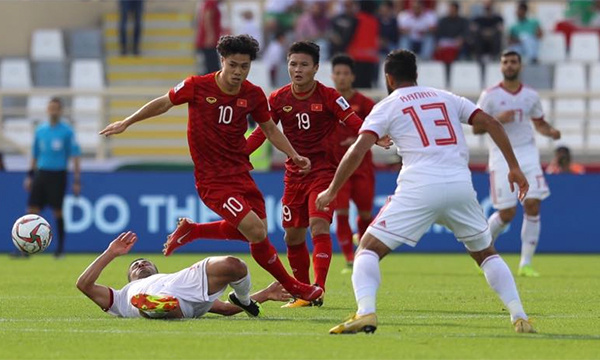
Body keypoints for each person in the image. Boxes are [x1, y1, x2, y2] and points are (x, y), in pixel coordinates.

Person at [316, 49, 535, 335]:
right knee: (486, 254)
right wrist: (514, 167)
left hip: (419, 186)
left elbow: (359, 149)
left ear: (389, 78)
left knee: (367, 249)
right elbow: (492, 123)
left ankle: (366, 311)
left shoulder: (386, 105)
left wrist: (332, 189)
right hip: (459, 185)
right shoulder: (445, 97)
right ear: (416, 75)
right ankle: (520, 316)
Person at [100, 34, 323, 303]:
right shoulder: (197, 86)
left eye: (244, 66)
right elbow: (164, 102)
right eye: (233, 65)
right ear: (222, 61)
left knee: (258, 229)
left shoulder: (253, 94)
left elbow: (270, 129)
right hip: (212, 180)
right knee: (256, 231)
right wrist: (128, 121)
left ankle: (193, 231)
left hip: (240, 173)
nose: (238, 72)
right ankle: (295, 286)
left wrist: (294, 155)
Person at [244, 41, 387, 308]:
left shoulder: (329, 96)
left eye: (304, 65)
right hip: (293, 175)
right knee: (292, 237)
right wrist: (241, 153)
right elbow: (263, 130)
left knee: (318, 225)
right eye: (293, 64)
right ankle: (302, 294)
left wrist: (374, 137)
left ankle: (318, 288)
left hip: (323, 171)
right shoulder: (277, 98)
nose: (297, 70)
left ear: (316, 68)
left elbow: (353, 120)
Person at [476, 50, 561, 277]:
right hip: (501, 155)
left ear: (520, 66)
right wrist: (497, 120)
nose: (509, 65)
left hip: (527, 153)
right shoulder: (490, 95)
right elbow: (475, 127)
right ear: (501, 66)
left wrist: (550, 131)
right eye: (505, 62)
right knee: (507, 213)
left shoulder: (531, 95)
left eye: (513, 62)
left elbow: (539, 123)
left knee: (533, 204)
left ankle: (526, 263)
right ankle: (482, 248)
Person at [76, 231, 292, 319]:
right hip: (151, 301)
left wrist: (266, 293)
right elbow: (84, 284)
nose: (140, 263)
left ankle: (161, 307)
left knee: (234, 265)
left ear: (156, 270)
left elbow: (226, 309)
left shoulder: (167, 277)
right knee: (154, 303)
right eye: (134, 266)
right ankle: (159, 308)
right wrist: (110, 253)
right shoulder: (121, 296)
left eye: (145, 262)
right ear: (130, 279)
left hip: (182, 284)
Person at [330, 54, 376, 272]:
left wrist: (359, 140)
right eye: (337, 73)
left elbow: (377, 129)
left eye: (345, 73)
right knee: (341, 211)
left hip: (362, 166)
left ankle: (363, 250)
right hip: (337, 167)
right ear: (332, 76)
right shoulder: (327, 102)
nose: (341, 78)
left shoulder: (365, 103)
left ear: (352, 76)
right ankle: (350, 256)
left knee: (366, 213)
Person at [25, 97, 81, 258]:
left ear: (60, 110)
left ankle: (60, 249)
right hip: (41, 173)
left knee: (57, 211)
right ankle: (25, 249)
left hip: (58, 174)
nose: (53, 111)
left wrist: (77, 180)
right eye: (51, 108)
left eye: (56, 108)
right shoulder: (40, 130)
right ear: (47, 110)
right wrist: (29, 175)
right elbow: (35, 154)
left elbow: (75, 155)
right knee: (32, 210)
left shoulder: (67, 131)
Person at [196, 0, 223, 74]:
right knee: (212, 67)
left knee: (211, 67)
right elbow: (207, 18)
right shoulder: (211, 2)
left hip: (211, 40)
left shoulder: (213, 3)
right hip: (208, 41)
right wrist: (210, 35)